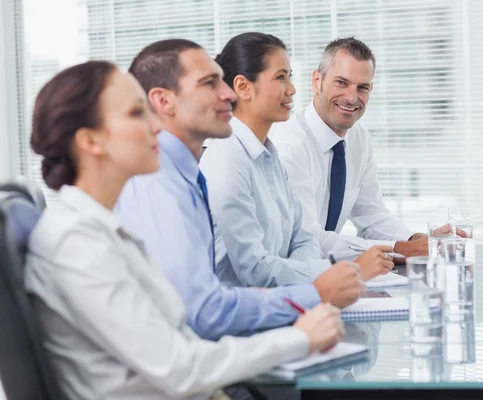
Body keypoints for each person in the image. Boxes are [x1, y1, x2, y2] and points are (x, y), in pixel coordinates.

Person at [25, 60, 344, 400]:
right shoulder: (76, 241)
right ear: (91, 141)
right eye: (137, 114)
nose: (157, 127)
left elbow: (178, 337)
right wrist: (299, 338)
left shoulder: (104, 228)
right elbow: (178, 368)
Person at [115, 39, 363, 340]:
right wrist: (313, 291)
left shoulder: (197, 171)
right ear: (164, 101)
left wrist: (304, 288)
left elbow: (303, 236)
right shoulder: (164, 183)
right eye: (210, 83)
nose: (226, 93)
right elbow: (207, 312)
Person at [200, 32, 394, 289]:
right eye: (281, 77)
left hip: (284, 301)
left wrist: (312, 276)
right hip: (246, 316)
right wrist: (348, 271)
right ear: (243, 87)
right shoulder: (227, 160)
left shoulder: (269, 156)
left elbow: (303, 239)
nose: (292, 89)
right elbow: (255, 270)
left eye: (289, 77)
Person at [270, 37, 456, 262]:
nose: (351, 97)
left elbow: (372, 217)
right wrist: (403, 249)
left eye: (362, 88)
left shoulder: (359, 139)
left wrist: (420, 240)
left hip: (329, 276)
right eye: (341, 82)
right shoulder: (289, 146)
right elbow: (309, 239)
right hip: (287, 277)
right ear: (317, 81)